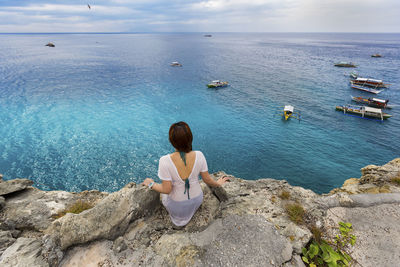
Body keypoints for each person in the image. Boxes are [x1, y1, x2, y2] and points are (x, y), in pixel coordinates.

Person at [142, 121, 229, 227]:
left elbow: (167, 190)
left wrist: (151, 184)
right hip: (196, 200)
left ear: (171, 141)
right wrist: (218, 183)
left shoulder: (164, 161)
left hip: (176, 207)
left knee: (165, 195)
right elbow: (207, 180)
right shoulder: (199, 155)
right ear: (190, 138)